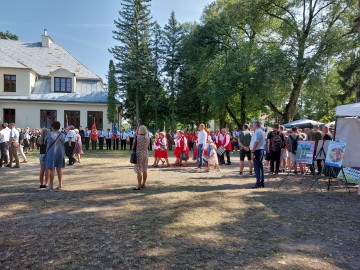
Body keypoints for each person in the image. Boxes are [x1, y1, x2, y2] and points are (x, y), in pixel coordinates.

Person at [45, 121, 65, 191]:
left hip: (51, 153)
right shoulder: (62, 134)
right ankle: (60, 184)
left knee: (52, 170)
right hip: (60, 153)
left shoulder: (49, 134)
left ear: (52, 127)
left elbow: (45, 141)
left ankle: (51, 186)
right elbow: (63, 142)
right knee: (59, 169)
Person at [133, 125, 150, 190]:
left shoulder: (137, 137)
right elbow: (147, 146)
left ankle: (139, 185)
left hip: (138, 154)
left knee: (138, 170)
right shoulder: (147, 137)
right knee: (144, 169)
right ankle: (143, 184)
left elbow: (133, 146)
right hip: (145, 154)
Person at [249, 121, 265, 188]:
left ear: (256, 125)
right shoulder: (260, 131)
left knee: (257, 167)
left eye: (253, 125)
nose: (252, 126)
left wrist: (253, 152)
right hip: (258, 150)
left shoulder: (258, 131)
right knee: (259, 167)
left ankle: (259, 182)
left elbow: (256, 142)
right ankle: (260, 182)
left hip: (257, 151)